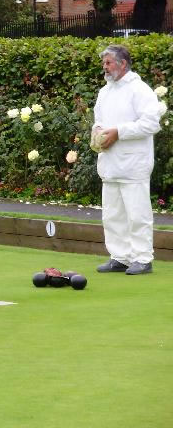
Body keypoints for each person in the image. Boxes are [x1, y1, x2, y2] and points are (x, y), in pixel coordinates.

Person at [92, 44, 162, 275]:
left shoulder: (139, 89)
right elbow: (98, 119)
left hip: (134, 165)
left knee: (138, 214)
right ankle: (120, 257)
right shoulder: (105, 92)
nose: (104, 67)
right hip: (110, 163)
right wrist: (97, 131)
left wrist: (119, 132)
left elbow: (151, 124)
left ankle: (142, 258)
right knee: (112, 214)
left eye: (108, 62)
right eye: (104, 63)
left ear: (122, 64)